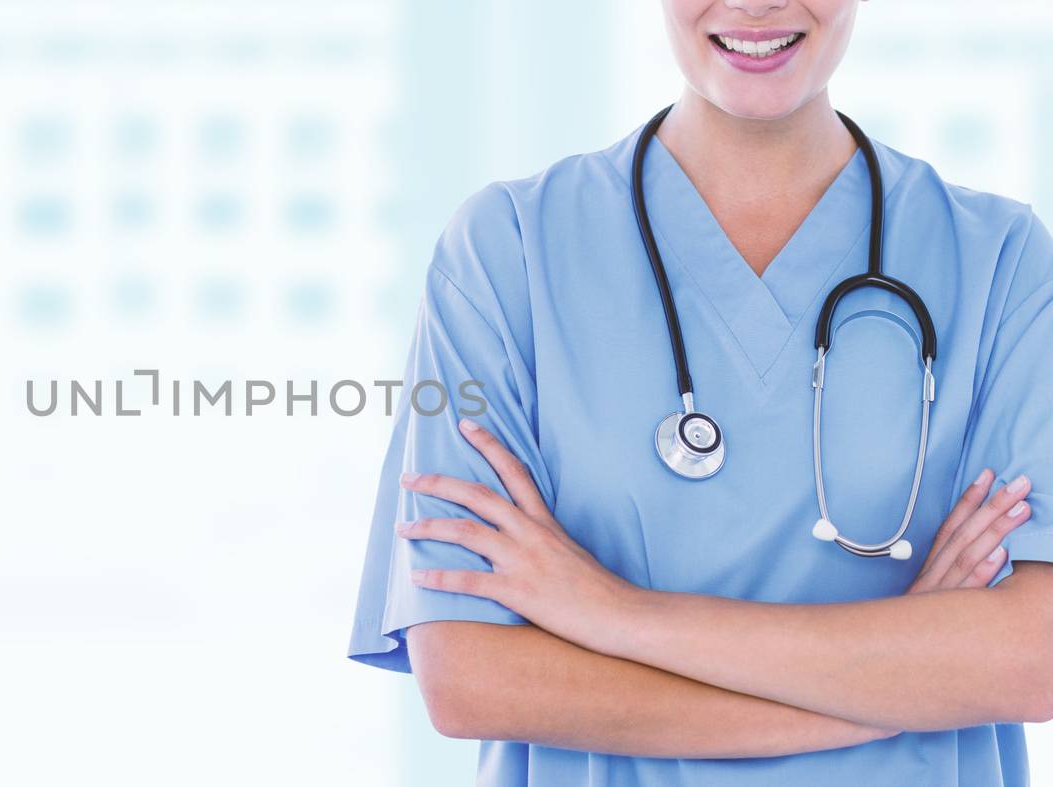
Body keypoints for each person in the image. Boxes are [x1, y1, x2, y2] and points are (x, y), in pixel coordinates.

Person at [346, 1, 1053, 784]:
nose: (757, 5)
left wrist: (615, 613)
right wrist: (903, 682)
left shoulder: (1003, 263)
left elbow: (1032, 656)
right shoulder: (504, 252)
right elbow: (469, 674)